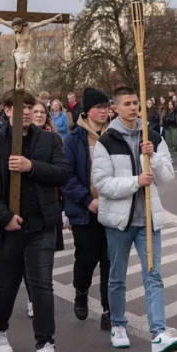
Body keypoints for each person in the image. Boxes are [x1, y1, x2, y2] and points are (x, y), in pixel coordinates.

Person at [0, 89, 70, 352]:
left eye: (30, 107)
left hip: (40, 224)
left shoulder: (48, 140)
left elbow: (63, 172)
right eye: (18, 107)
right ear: (6, 111)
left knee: (41, 285)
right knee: (8, 283)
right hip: (8, 227)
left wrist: (31, 166)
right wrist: (3, 217)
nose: (25, 112)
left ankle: (45, 344)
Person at [92, 86, 177, 352]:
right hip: (119, 222)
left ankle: (159, 333)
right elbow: (102, 183)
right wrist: (135, 182)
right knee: (117, 277)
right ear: (115, 108)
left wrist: (152, 157)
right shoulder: (106, 141)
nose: (133, 108)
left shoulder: (152, 136)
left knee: (153, 276)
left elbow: (168, 176)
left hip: (149, 221)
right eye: (127, 104)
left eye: (136, 103)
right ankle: (118, 324)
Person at [62, 88, 113, 331]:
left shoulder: (115, 134)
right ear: (87, 111)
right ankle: (81, 292)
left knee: (110, 260)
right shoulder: (74, 139)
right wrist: (87, 200)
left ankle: (108, 309)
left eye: (106, 106)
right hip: (86, 209)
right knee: (86, 258)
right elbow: (66, 176)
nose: (103, 111)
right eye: (99, 107)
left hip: (113, 208)